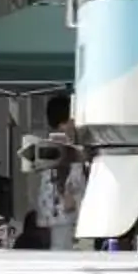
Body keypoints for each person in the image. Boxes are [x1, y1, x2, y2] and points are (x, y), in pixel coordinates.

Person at [23, 93, 86, 250]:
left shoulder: (49, 146)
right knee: (63, 250)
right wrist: (67, 196)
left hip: (57, 213)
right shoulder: (64, 146)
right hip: (64, 213)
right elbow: (60, 172)